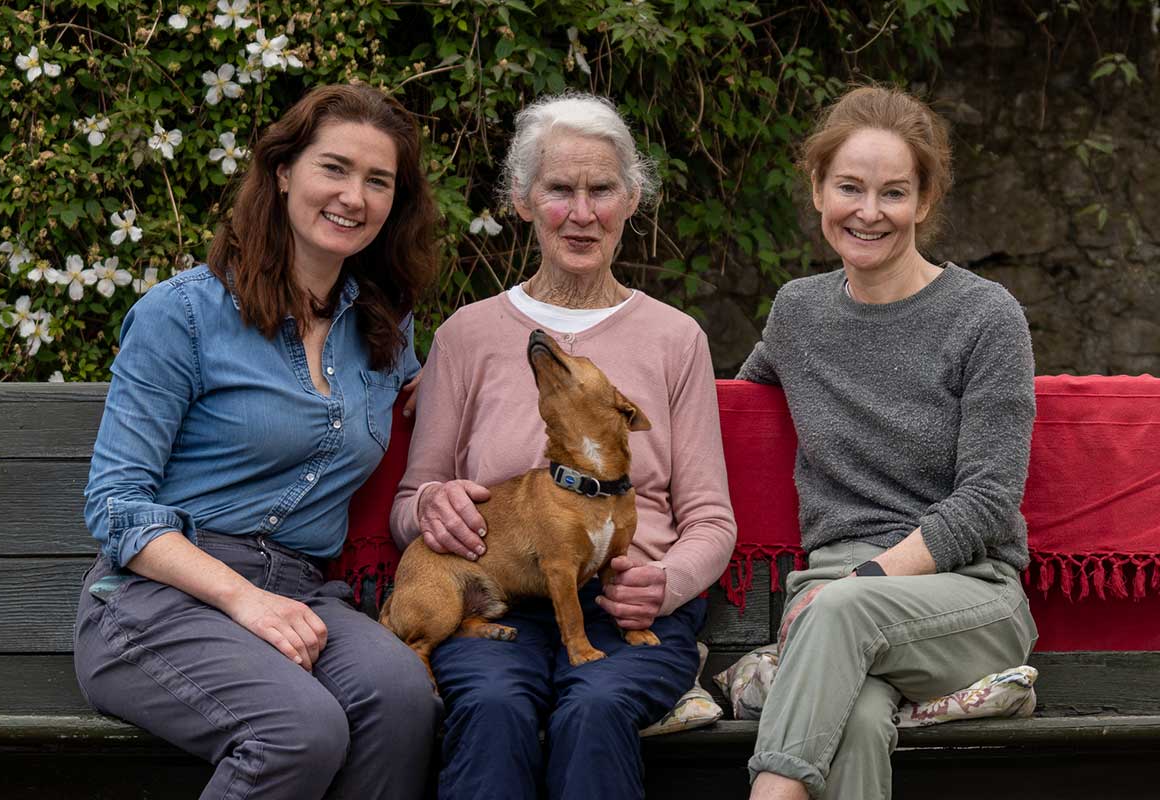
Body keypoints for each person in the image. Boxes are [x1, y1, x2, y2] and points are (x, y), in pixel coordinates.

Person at [74, 84, 441, 800]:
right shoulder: (180, 315)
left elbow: (445, 407)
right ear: (282, 173)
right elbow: (116, 504)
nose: (353, 197)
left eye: (378, 181)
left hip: (302, 592)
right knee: (299, 729)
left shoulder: (384, 335)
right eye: (333, 168)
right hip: (159, 599)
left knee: (403, 699)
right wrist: (245, 601)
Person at [389, 93, 737, 800]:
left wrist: (665, 585)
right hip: (493, 608)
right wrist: (431, 503)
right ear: (522, 199)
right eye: (559, 189)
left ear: (632, 198)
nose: (582, 213)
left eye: (602, 189)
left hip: (623, 609)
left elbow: (710, 518)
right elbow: (409, 503)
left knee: (596, 709)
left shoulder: (676, 340)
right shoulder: (468, 335)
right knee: (489, 709)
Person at [739, 85, 1039, 800]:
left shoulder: (984, 317)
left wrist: (863, 582)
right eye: (850, 187)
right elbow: (716, 405)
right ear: (817, 189)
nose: (869, 212)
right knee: (858, 719)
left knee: (840, 616)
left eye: (894, 192)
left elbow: (989, 500)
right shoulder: (798, 314)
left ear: (924, 202)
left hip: (968, 600)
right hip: (835, 602)